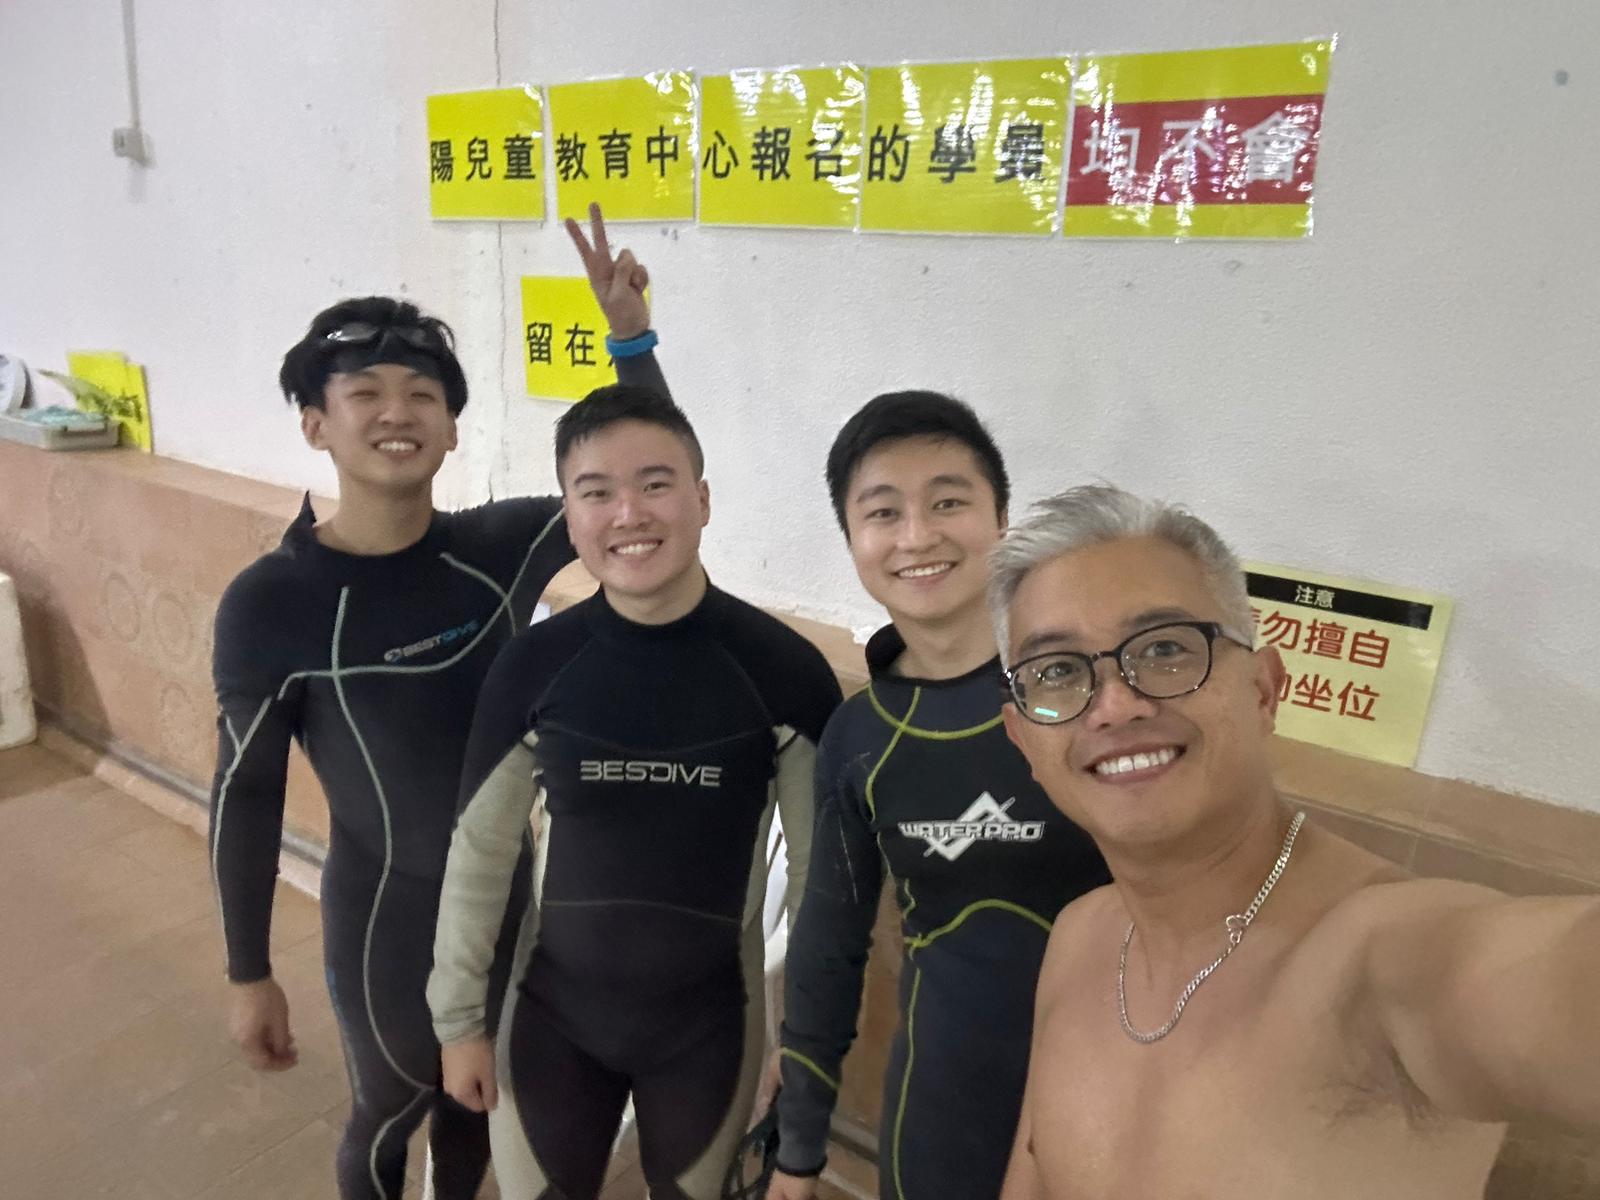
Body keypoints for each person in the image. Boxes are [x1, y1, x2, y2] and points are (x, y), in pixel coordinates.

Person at [208, 208, 661, 1199]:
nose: (396, 412)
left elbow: (639, 480)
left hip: (510, 908)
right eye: (363, 393)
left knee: (479, 1102)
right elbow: (246, 795)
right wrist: (249, 971)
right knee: (390, 1109)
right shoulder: (272, 606)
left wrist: (631, 343)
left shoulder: (492, 552)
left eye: (422, 393)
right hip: (388, 921)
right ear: (315, 424)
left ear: (453, 429)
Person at [989, 484, 1600, 1199]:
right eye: (1058, 671)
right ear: (1024, 740)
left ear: (1263, 690)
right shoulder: (1078, 937)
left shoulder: (1382, 952)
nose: (1116, 705)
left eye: (1165, 649)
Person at [427, 385, 842, 1200]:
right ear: (570, 516)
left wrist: (805, 1048)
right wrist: (458, 1022)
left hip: (711, 1027)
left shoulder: (782, 672)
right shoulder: (533, 666)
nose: (628, 514)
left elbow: (822, 884)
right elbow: (479, 850)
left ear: (702, 500)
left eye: (655, 484)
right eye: (596, 492)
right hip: (550, 1016)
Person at [768, 394, 1109, 1200]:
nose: (917, 536)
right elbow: (826, 949)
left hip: (1116, 1104)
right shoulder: (862, 738)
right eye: (883, 512)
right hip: (941, 1115)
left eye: (948, 502)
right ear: (852, 540)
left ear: (1002, 520)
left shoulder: (1093, 690)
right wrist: (798, 1149)